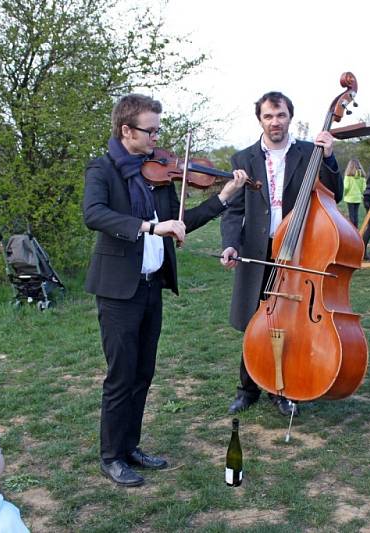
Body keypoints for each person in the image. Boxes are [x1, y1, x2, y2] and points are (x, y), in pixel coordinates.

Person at [83, 93, 248, 487]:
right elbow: (95, 214)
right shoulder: (102, 169)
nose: (157, 137)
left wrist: (223, 198)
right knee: (121, 375)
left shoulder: (155, 173)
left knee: (143, 373)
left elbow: (181, 221)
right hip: (118, 290)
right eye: (150, 130)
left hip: (150, 286)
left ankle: (131, 446)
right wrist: (151, 228)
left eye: (158, 129)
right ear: (127, 130)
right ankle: (111, 456)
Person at [220, 91, 343, 416]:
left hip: (299, 251)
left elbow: (336, 192)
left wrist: (329, 158)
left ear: (290, 117)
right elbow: (233, 209)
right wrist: (230, 243)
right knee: (253, 320)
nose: (275, 122)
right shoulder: (243, 159)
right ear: (260, 119)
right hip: (257, 250)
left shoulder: (310, 152)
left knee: (291, 323)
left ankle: (281, 389)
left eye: (281, 116)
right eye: (268, 116)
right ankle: (247, 389)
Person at [343, 158, 366, 227]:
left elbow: (346, 187)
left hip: (349, 198)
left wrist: (345, 194)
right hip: (358, 198)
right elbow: (364, 188)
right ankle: (356, 229)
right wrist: (361, 194)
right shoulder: (362, 176)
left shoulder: (348, 176)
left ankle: (352, 230)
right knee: (356, 214)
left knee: (351, 215)